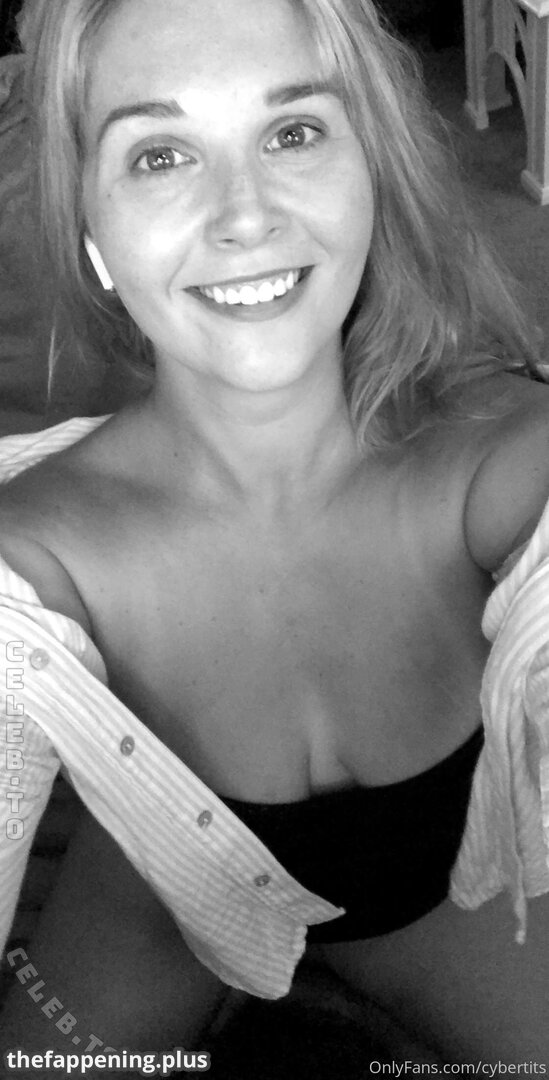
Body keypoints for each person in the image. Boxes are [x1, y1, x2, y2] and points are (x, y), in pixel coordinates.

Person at [2, 0, 549, 1071]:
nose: (244, 216)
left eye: (293, 132)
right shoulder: (37, 552)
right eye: (159, 155)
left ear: (370, 170)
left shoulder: (504, 461)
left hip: (441, 894)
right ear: (90, 229)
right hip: (163, 901)